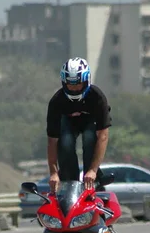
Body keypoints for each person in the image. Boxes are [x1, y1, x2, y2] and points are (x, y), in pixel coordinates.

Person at [46, 57, 111, 193]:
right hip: (68, 124)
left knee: (89, 137)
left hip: (90, 123)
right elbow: (52, 141)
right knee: (66, 141)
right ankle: (69, 181)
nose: (74, 89)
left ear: (87, 81)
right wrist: (53, 173)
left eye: (78, 85)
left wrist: (92, 170)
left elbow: (103, 136)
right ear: (64, 83)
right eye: (70, 85)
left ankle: (92, 179)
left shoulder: (97, 97)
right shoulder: (56, 102)